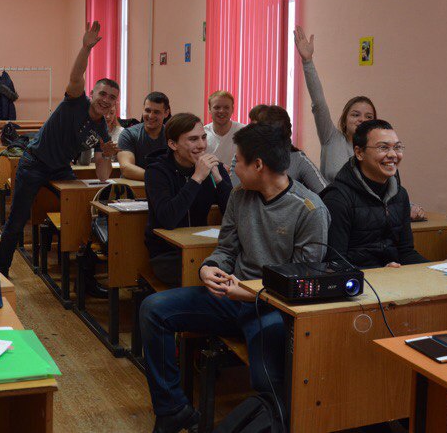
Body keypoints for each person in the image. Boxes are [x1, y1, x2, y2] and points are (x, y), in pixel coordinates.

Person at [139, 123, 330, 433]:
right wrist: (208, 268)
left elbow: (302, 283)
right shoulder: (240, 197)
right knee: (154, 309)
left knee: (267, 383)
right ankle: (173, 409)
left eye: (238, 161)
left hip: (272, 308)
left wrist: (252, 293)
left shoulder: (309, 210)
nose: (233, 168)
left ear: (258, 165)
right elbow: (226, 248)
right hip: (230, 297)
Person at [0, 22, 118, 276]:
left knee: (80, 209)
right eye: (102, 94)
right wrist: (86, 48)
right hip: (34, 163)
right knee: (17, 221)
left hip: (60, 168)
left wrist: (107, 154)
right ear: (92, 92)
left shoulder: (102, 131)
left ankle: (80, 269)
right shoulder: (76, 101)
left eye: (112, 97)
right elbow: (76, 75)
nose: (106, 100)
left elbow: (103, 176)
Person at [295, 26, 428, 221]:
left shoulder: (378, 151)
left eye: (368, 117)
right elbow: (319, 103)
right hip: (334, 214)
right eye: (355, 115)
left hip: (368, 217)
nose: (362, 120)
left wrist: (410, 207)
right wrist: (307, 62)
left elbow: (388, 189)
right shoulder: (331, 138)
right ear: (344, 120)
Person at [322, 119, 429, 268]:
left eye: (397, 147)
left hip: (394, 276)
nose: (393, 154)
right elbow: (335, 263)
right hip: (359, 280)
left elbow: (406, 252)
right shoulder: (338, 198)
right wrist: (381, 273)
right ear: (359, 153)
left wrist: (440, 268)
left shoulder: (400, 195)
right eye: (383, 147)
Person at [144, 113, 232, 287]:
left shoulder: (213, 168)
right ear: (173, 144)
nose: (201, 145)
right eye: (193, 139)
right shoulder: (157, 171)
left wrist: (219, 179)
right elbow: (168, 219)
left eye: (203, 137)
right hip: (168, 254)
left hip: (205, 249)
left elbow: (233, 214)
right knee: (205, 278)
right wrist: (197, 178)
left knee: (234, 272)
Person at [230, 104, 328, 193]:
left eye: (255, 128)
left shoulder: (297, 160)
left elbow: (327, 193)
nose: (249, 132)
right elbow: (233, 193)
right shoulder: (242, 157)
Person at [117, 92, 170, 181]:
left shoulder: (172, 136)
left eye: (156, 112)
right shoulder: (128, 134)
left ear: (166, 113)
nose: (151, 116)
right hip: (135, 187)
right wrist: (157, 178)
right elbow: (126, 168)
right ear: (143, 109)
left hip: (164, 187)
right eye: (147, 110)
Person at [203, 90, 246, 167]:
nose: (222, 111)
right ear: (209, 109)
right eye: (217, 107)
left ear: (232, 109)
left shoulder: (244, 132)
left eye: (226, 107)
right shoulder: (202, 134)